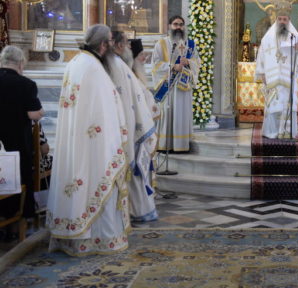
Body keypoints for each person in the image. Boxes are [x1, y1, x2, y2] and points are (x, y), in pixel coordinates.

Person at [47, 25, 130, 255]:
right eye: (110, 41)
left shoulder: (75, 62)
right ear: (103, 44)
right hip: (95, 144)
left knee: (77, 181)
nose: (111, 46)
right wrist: (117, 137)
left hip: (77, 139)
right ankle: (98, 239)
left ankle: (71, 236)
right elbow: (107, 110)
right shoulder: (93, 68)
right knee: (94, 178)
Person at [108, 32, 158, 222]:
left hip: (133, 127)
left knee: (137, 173)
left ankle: (139, 210)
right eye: (128, 44)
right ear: (120, 45)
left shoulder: (123, 68)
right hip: (133, 129)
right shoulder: (122, 69)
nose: (144, 57)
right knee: (135, 172)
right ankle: (138, 211)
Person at [0, 46, 44, 221]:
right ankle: (17, 219)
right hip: (16, 142)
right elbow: (34, 114)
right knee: (18, 177)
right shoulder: (26, 84)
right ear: (20, 64)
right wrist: (37, 112)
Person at [255, 0, 298, 139]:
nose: (282, 22)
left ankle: (287, 132)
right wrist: (262, 73)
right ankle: (271, 132)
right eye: (280, 19)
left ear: (288, 20)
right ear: (276, 19)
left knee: (287, 106)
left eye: (285, 19)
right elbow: (261, 55)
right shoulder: (268, 37)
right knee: (273, 106)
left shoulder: (295, 36)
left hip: (288, 79)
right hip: (272, 78)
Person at [151, 15, 200, 152]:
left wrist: (188, 62)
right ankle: (166, 145)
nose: (178, 27)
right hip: (169, 87)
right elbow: (155, 64)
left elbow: (197, 62)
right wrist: (173, 66)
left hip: (184, 87)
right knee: (168, 113)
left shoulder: (190, 45)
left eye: (181, 24)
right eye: (175, 24)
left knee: (182, 114)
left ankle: (181, 145)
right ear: (169, 26)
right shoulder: (161, 44)